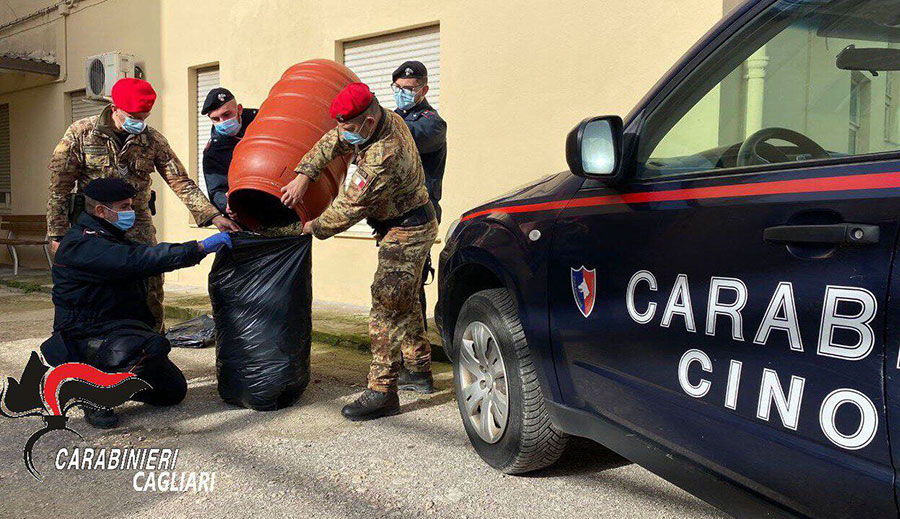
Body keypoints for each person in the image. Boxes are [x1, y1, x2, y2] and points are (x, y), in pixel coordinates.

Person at [280, 83, 438, 421]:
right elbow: (333, 139)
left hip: (408, 230)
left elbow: (350, 207)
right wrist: (304, 175)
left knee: (386, 305)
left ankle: (382, 391)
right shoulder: (379, 120)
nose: (344, 133)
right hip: (401, 223)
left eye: (350, 127)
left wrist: (313, 228)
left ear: (367, 122)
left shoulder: (385, 154)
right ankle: (419, 368)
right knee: (404, 300)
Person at [46, 78, 241, 333]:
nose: (138, 122)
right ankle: (98, 350)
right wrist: (57, 234)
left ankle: (152, 345)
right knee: (97, 291)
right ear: (114, 107)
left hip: (136, 224)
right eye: (133, 115)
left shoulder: (151, 140)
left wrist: (213, 216)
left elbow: (180, 180)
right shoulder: (80, 134)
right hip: (96, 228)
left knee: (150, 289)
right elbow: (59, 187)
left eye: (144, 116)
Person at [41, 178, 233, 429]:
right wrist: (199, 248)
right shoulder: (82, 244)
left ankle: (114, 381)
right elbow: (140, 259)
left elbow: (142, 256)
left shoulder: (109, 235)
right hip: (87, 335)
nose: (130, 213)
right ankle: (93, 390)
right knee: (151, 346)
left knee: (172, 392)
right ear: (101, 211)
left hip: (117, 329)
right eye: (124, 206)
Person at [391, 60, 447, 394]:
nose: (401, 94)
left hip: (417, 217)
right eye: (397, 88)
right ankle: (406, 361)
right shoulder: (395, 120)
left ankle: (417, 369)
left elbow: (407, 140)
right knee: (400, 290)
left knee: (409, 292)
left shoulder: (431, 124)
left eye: (408, 89)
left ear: (423, 90)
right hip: (394, 218)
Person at [201, 87, 258, 215]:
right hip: (248, 213)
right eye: (216, 119)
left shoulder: (262, 121)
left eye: (227, 115)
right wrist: (227, 203)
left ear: (239, 109)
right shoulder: (213, 152)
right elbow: (216, 191)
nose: (223, 122)